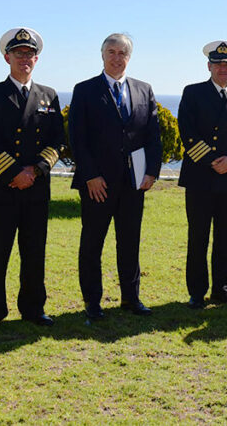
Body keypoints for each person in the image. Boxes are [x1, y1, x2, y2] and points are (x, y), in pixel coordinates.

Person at [0, 28, 65, 332]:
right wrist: (15, 173)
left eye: (29, 54)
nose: (24, 59)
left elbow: (58, 141)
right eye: (18, 54)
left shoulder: (48, 95)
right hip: (3, 187)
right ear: (7, 57)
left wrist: (36, 170)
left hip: (36, 189)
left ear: (36, 59)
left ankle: (33, 308)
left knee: (34, 252)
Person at [68, 33, 162, 318]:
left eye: (123, 53)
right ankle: (92, 302)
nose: (117, 58)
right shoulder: (85, 90)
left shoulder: (143, 89)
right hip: (98, 184)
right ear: (102, 54)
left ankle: (131, 298)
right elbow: (77, 138)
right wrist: (90, 175)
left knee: (130, 241)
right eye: (112, 52)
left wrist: (152, 172)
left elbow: (153, 135)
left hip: (134, 183)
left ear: (129, 58)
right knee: (92, 244)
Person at [177, 41, 227, 309]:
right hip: (201, 175)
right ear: (209, 66)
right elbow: (187, 132)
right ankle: (197, 292)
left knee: (226, 235)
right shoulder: (193, 93)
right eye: (218, 64)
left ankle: (222, 288)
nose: (223, 69)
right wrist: (213, 160)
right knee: (198, 236)